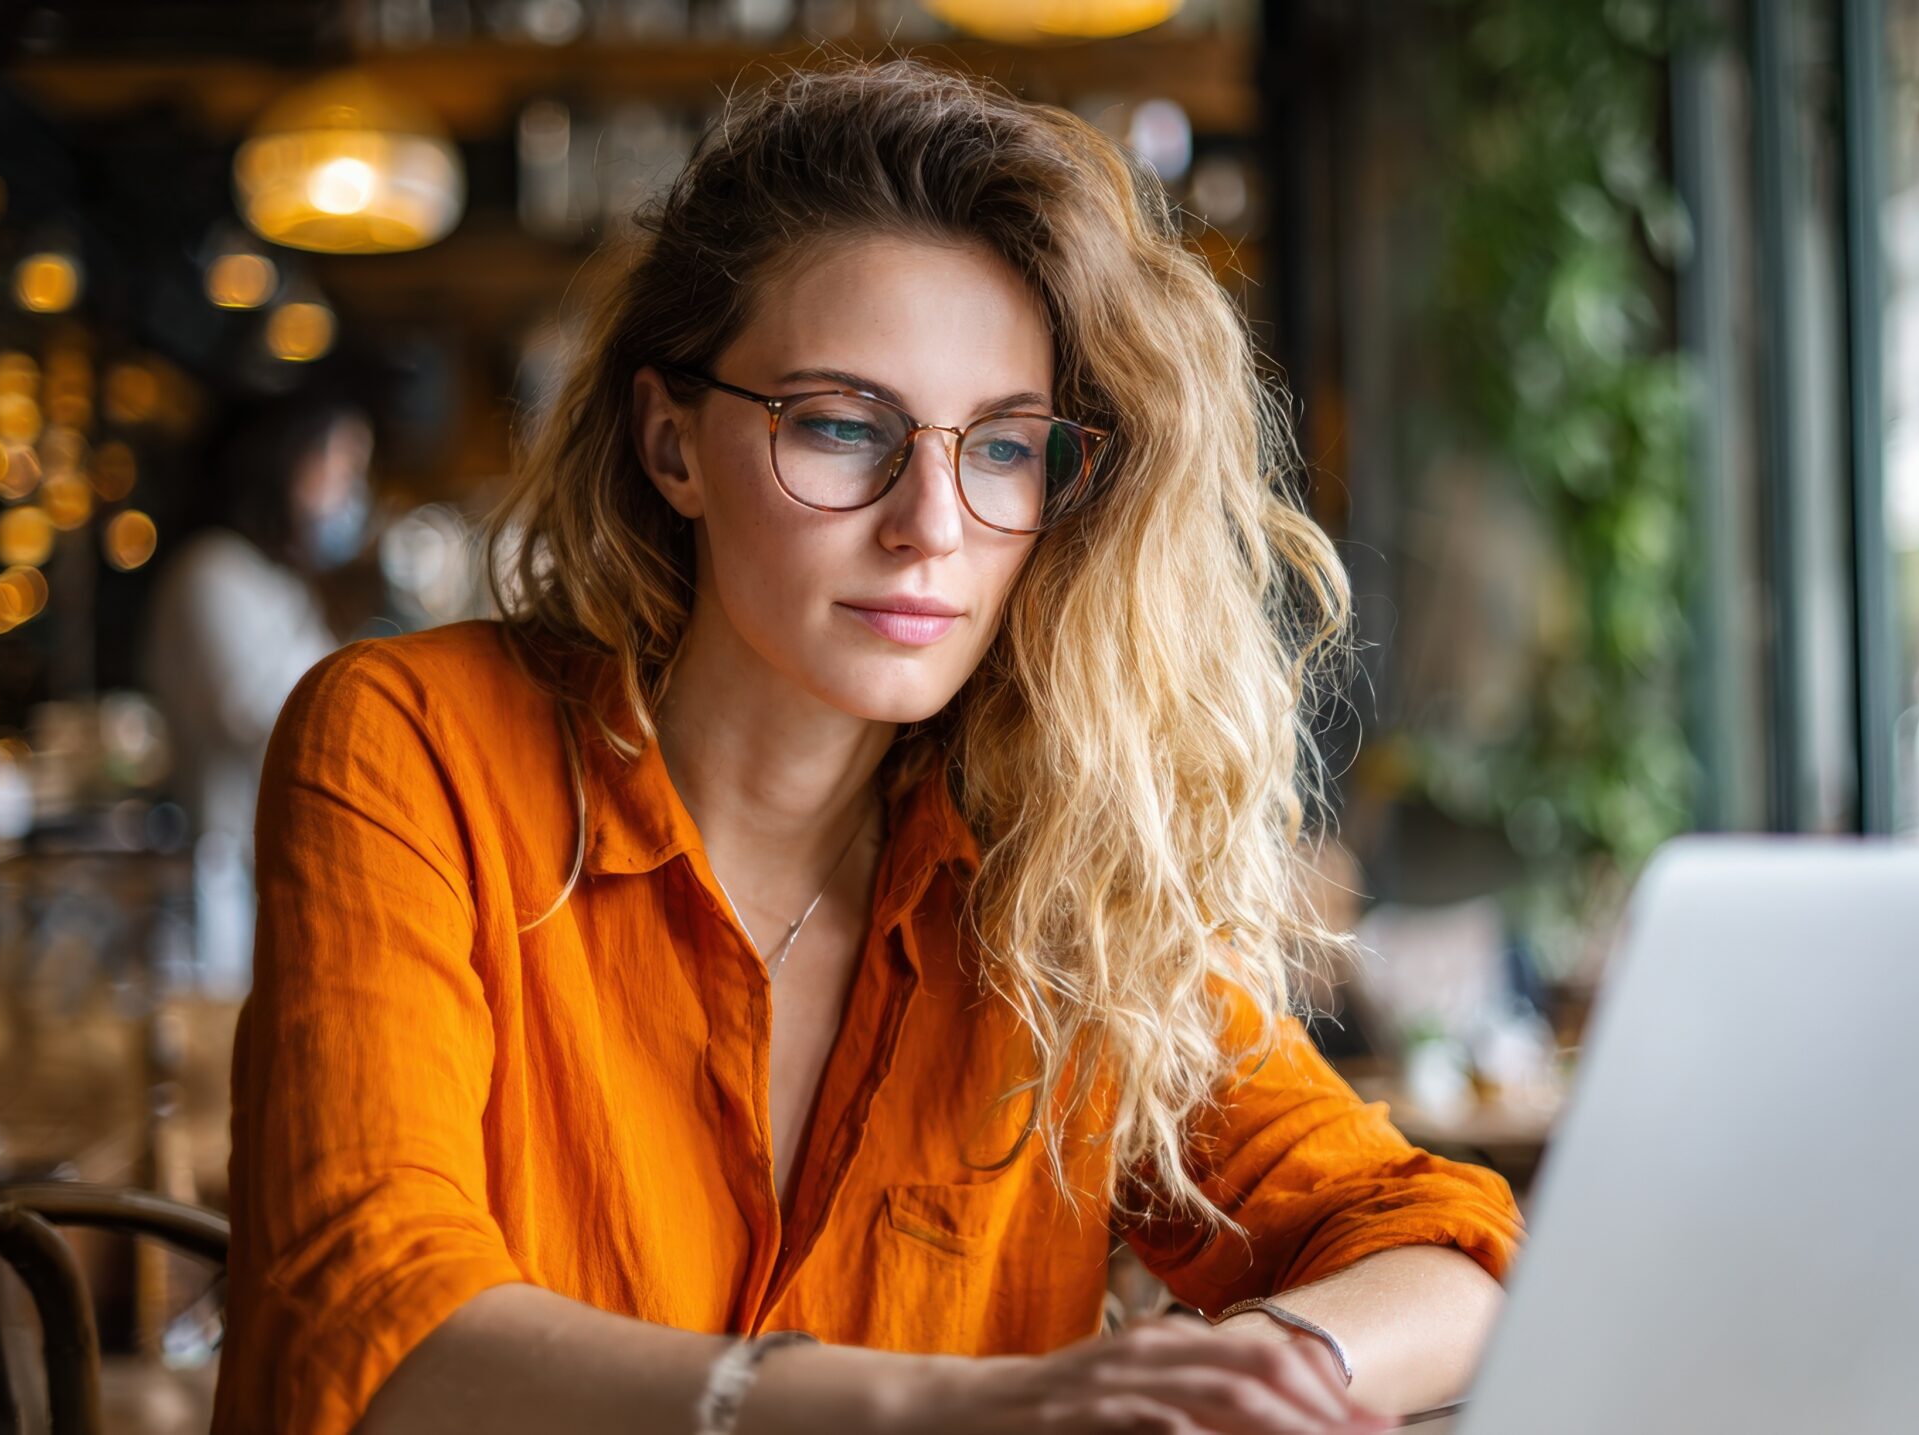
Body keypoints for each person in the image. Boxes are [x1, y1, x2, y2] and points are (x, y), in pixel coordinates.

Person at [214, 59, 1522, 1435]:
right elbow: (378, 1319)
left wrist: (1218, 1380)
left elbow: (1445, 1251)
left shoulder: (1057, 863)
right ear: (672, 441)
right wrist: (969, 1404)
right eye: (843, 427)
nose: (933, 526)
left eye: (1005, 450)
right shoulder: (412, 742)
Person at [142, 391, 377, 995]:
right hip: (222, 905)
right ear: (286, 463)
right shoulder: (210, 572)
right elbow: (287, 727)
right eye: (341, 467)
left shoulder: (282, 587)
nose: (353, 492)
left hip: (275, 894)